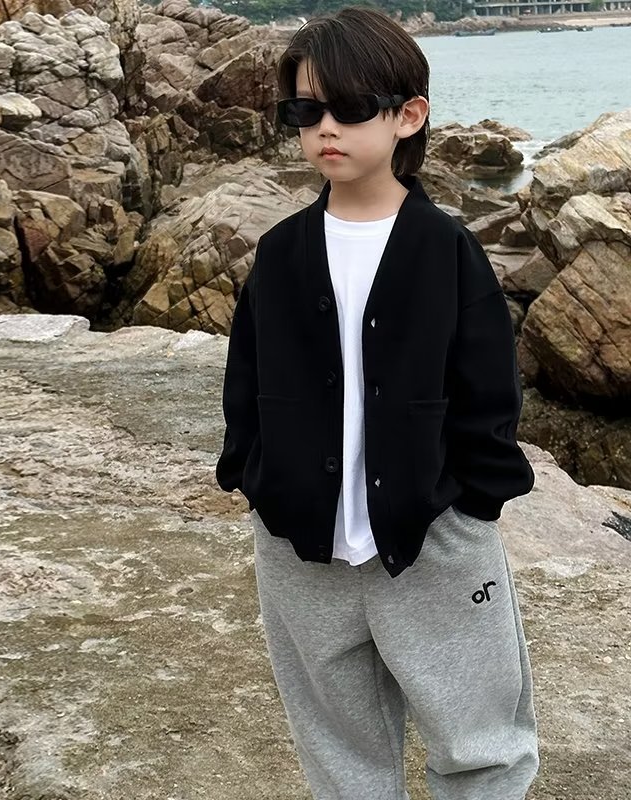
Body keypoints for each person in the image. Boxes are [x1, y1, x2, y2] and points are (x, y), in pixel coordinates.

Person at [215, 7, 538, 800]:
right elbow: (245, 385)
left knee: (481, 744)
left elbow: (489, 393)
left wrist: (472, 508)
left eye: (352, 106)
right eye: (305, 110)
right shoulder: (280, 253)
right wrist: (258, 483)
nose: (326, 127)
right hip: (301, 550)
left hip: (436, 541)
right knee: (339, 751)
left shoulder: (448, 250)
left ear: (408, 115)